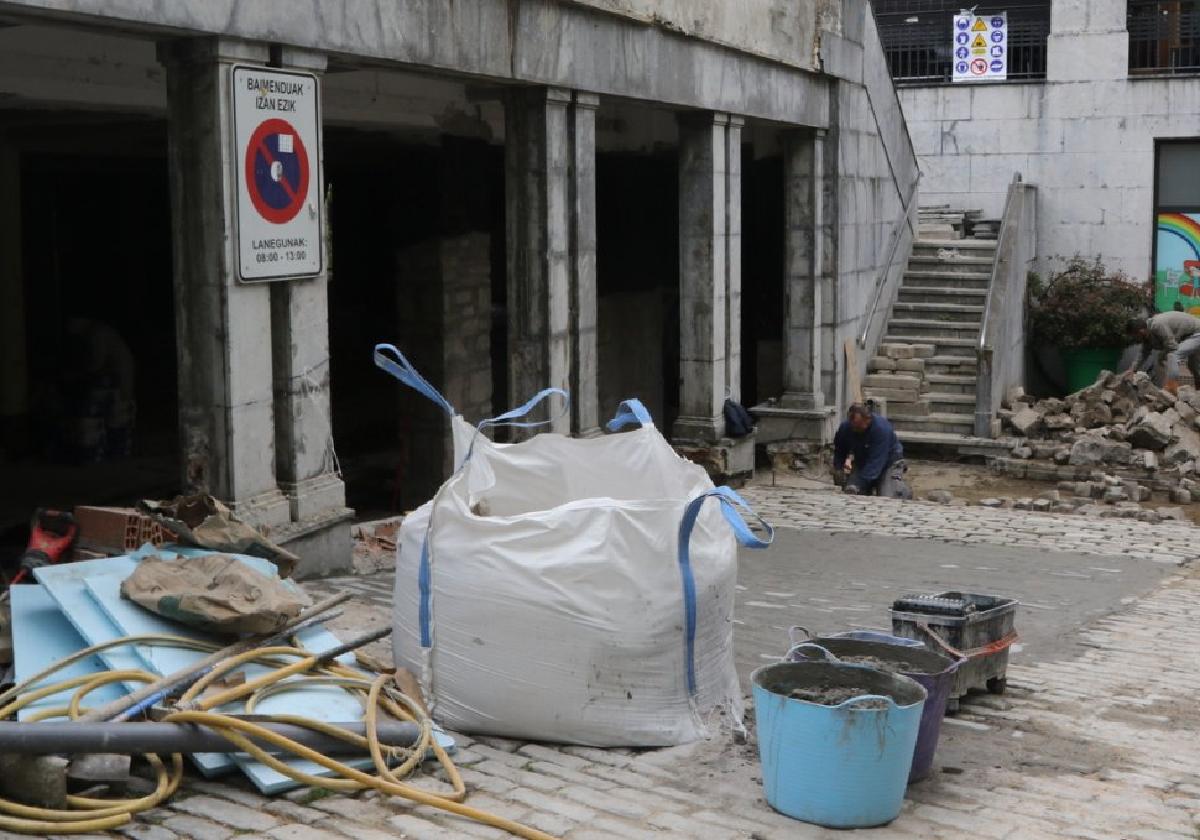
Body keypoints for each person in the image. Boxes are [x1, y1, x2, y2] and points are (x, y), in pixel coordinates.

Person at [832, 403, 911, 499]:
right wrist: (838, 468)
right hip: (864, 461)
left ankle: (903, 491)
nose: (854, 429)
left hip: (889, 462)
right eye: (852, 425)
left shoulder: (881, 430)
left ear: (868, 420)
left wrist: (858, 484)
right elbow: (840, 450)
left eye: (858, 426)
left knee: (888, 497)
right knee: (852, 492)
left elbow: (875, 463)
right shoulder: (846, 427)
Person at [1127, 311, 1200, 394]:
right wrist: (1132, 370)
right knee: (1194, 366)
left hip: (1196, 333)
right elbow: (1143, 354)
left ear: (1141, 331)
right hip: (1188, 336)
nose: (1135, 339)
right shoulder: (1147, 335)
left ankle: (1171, 387)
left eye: (1135, 336)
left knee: (1173, 355)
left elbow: (1172, 346)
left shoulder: (1157, 325)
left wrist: (1162, 355)